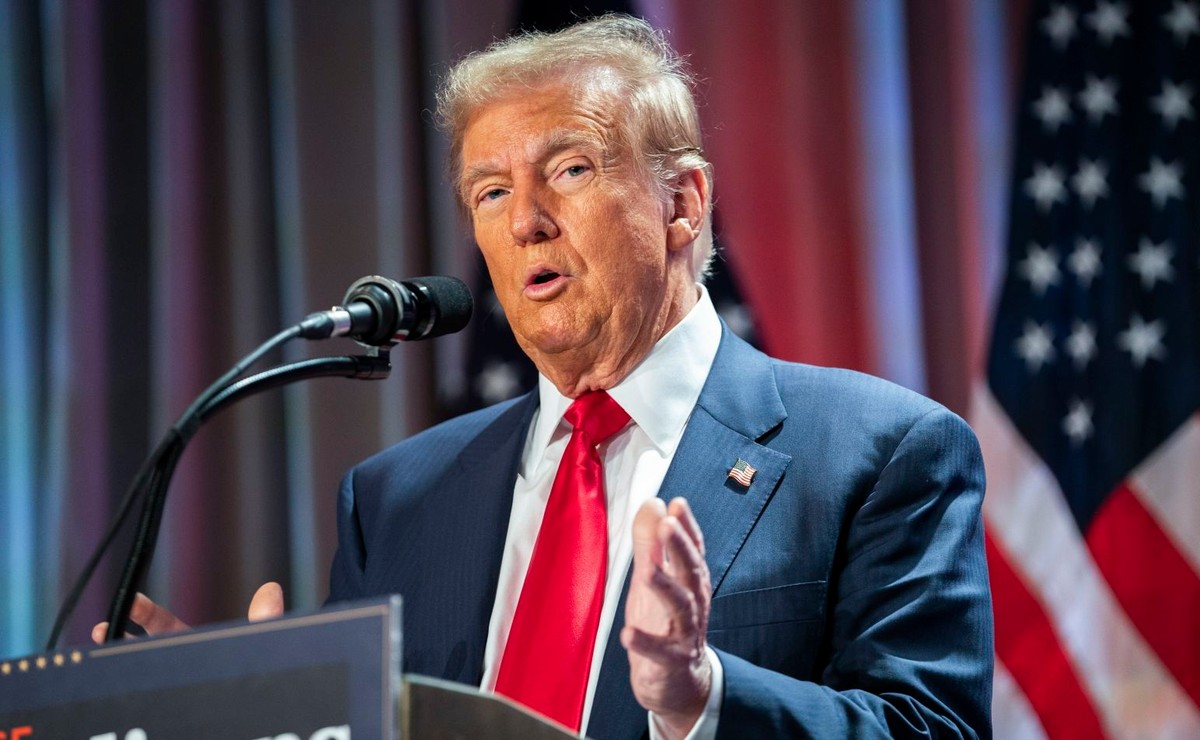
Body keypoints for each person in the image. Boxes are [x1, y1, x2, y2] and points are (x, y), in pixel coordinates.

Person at [99, 14, 993, 739]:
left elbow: (931, 729)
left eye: (569, 169)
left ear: (681, 203)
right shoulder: (395, 499)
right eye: (489, 191)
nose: (525, 220)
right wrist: (265, 717)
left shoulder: (878, 454)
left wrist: (700, 696)